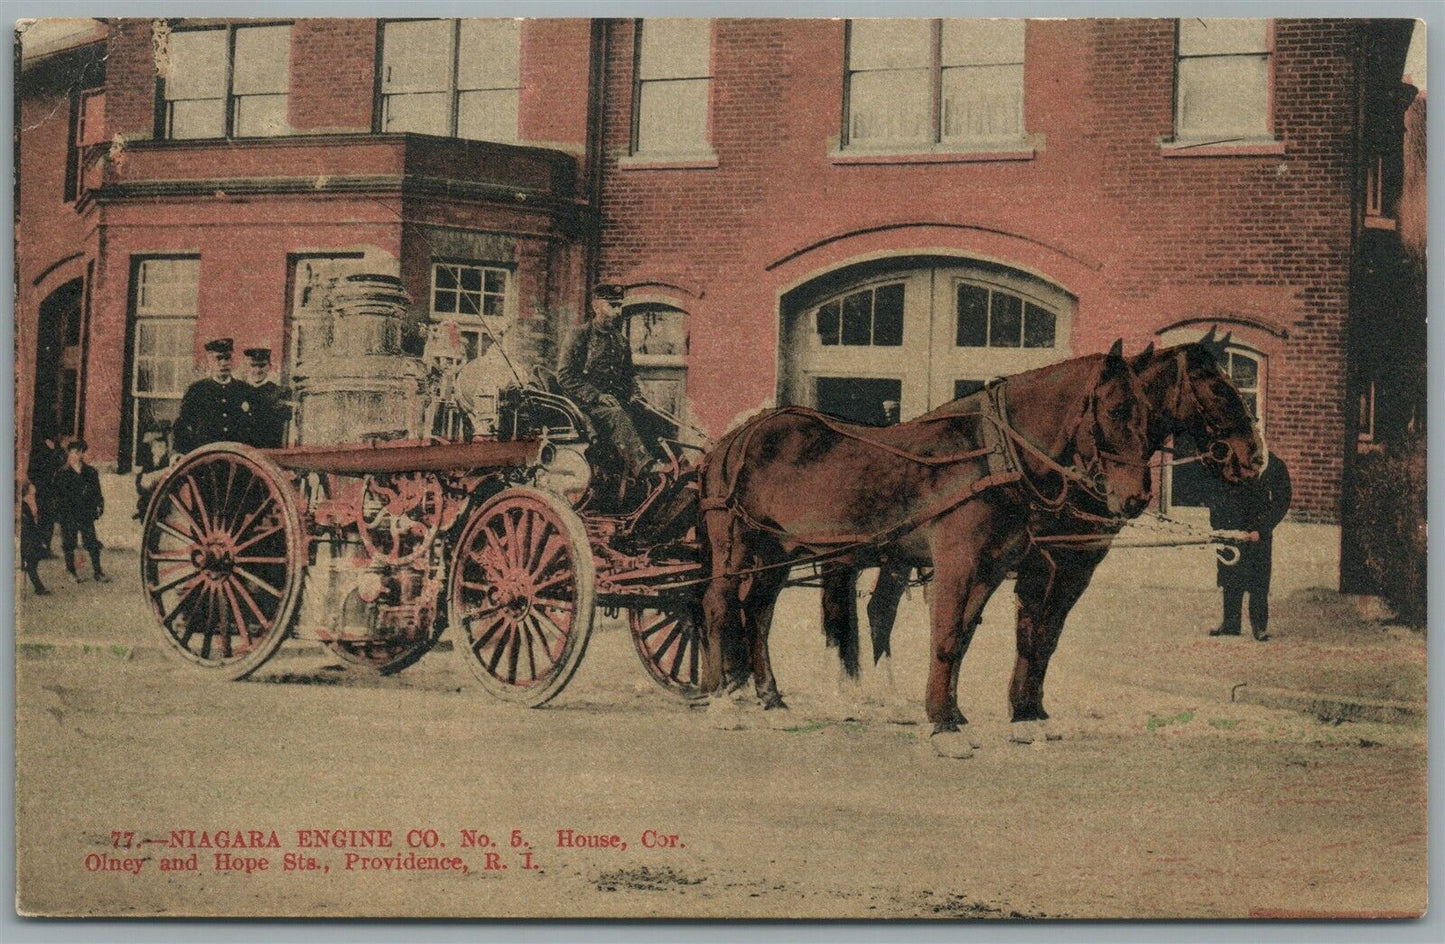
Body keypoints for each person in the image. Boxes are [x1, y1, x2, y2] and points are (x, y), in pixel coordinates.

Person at [557, 283, 653, 480]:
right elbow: (565, 376)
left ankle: (669, 465)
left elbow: (629, 375)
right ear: (596, 307)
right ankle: (644, 467)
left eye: (619, 306)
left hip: (613, 402)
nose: (618, 312)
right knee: (616, 414)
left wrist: (636, 393)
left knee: (647, 413)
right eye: (612, 306)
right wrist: (597, 396)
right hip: (584, 404)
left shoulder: (620, 341)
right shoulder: (579, 336)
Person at [1209, 444, 1291, 641]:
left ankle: (1259, 626)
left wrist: (1262, 529)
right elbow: (1215, 493)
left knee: (1259, 580)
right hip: (1231, 529)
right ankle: (1230, 623)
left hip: (1257, 532)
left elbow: (1282, 500)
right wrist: (1218, 525)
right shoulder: (1229, 462)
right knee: (1230, 574)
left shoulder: (1271, 464)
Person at [174, 338, 248, 453]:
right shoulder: (196, 390)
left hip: (237, 457)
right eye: (218, 358)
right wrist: (178, 452)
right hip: (205, 457)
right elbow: (182, 425)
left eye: (227, 358)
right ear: (209, 361)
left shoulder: (244, 390)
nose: (223, 363)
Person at [52, 440, 109, 584]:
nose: (74, 455)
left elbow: (97, 493)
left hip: (85, 513)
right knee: (69, 543)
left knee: (92, 543)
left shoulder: (90, 472)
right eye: (72, 452)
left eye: (78, 452)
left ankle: (98, 572)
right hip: (68, 514)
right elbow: (55, 496)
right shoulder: (61, 474)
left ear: (83, 454)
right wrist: (59, 514)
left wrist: (99, 506)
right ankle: (71, 571)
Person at [240, 347, 291, 448]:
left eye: (262, 365)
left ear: (270, 366)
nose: (258, 370)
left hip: (268, 450)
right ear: (246, 367)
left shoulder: (280, 392)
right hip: (243, 452)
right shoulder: (239, 390)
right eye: (253, 365)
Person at [25, 430, 65, 558]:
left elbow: (62, 464)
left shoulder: (58, 448)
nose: (59, 436)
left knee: (50, 518)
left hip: (55, 489)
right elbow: (32, 470)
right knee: (43, 517)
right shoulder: (39, 449)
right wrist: (36, 484)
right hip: (43, 489)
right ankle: (39, 548)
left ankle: (46, 547)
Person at [134, 422, 174, 519]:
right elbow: (140, 478)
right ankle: (143, 513)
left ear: (166, 450)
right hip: (148, 491)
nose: (160, 450)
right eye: (157, 447)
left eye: (162, 448)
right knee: (145, 498)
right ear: (152, 449)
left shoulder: (166, 462)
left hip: (160, 492)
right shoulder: (148, 461)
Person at [19, 480, 50, 595]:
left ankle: (39, 587)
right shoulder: (23, 507)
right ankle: (39, 588)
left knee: (31, 563)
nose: (33, 495)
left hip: (31, 539)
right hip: (27, 540)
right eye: (31, 493)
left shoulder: (29, 504)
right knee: (30, 562)